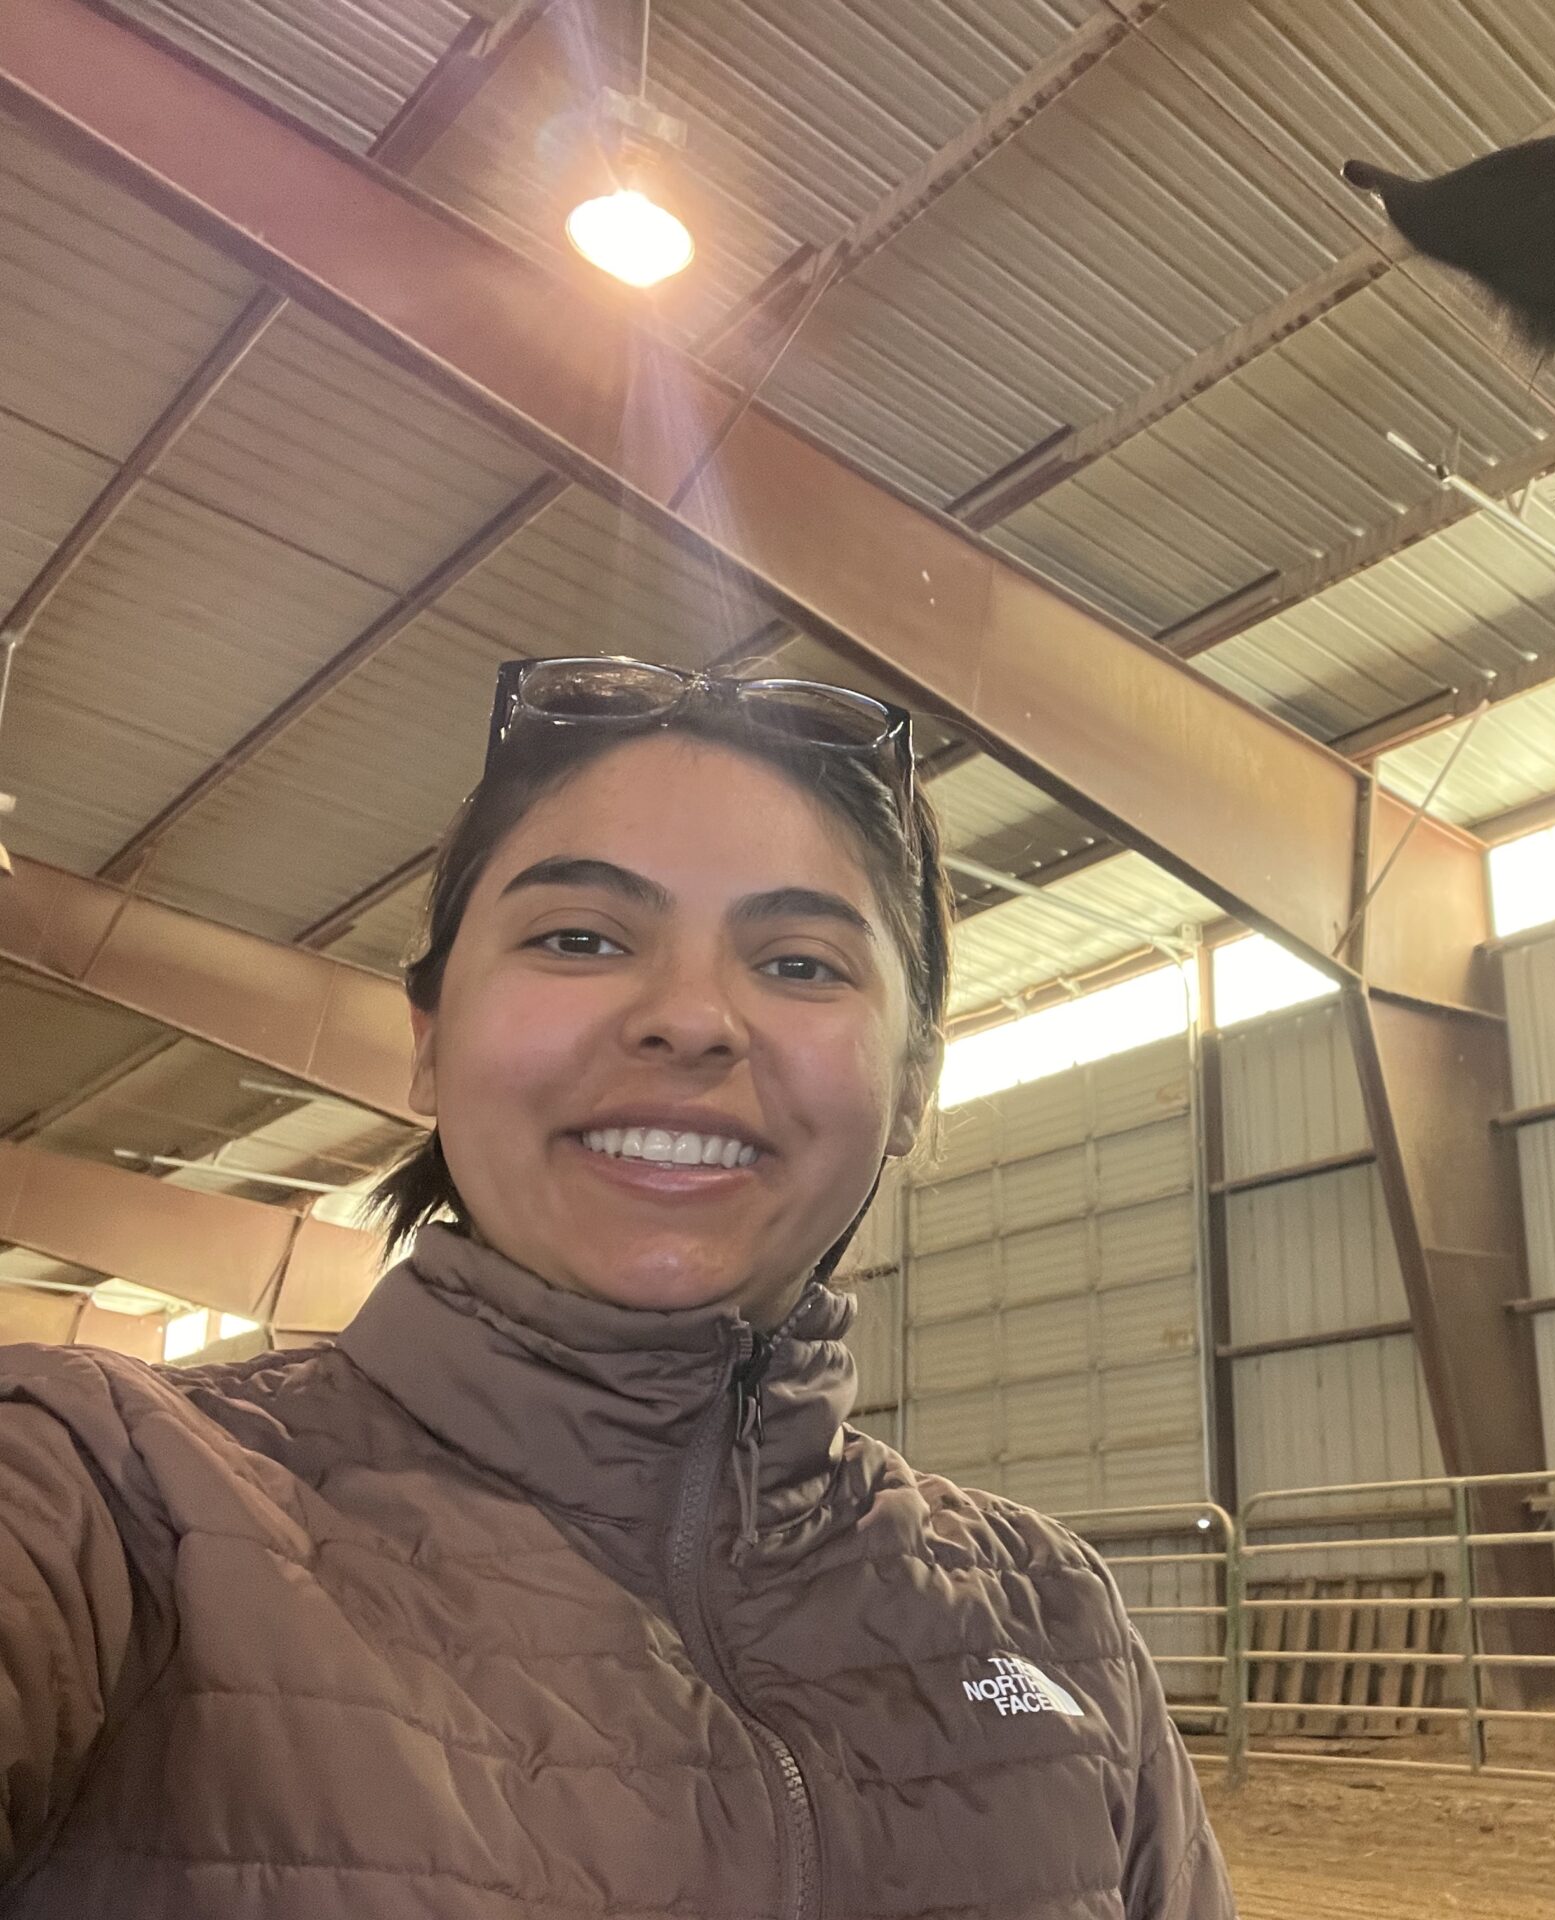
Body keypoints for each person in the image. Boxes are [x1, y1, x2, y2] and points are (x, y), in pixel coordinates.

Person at [0, 657, 1233, 1918]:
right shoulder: (114, 1504)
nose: (690, 1018)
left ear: (912, 1080)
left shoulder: (1056, 1624)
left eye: (801, 963)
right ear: (429, 1038)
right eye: (579, 938)